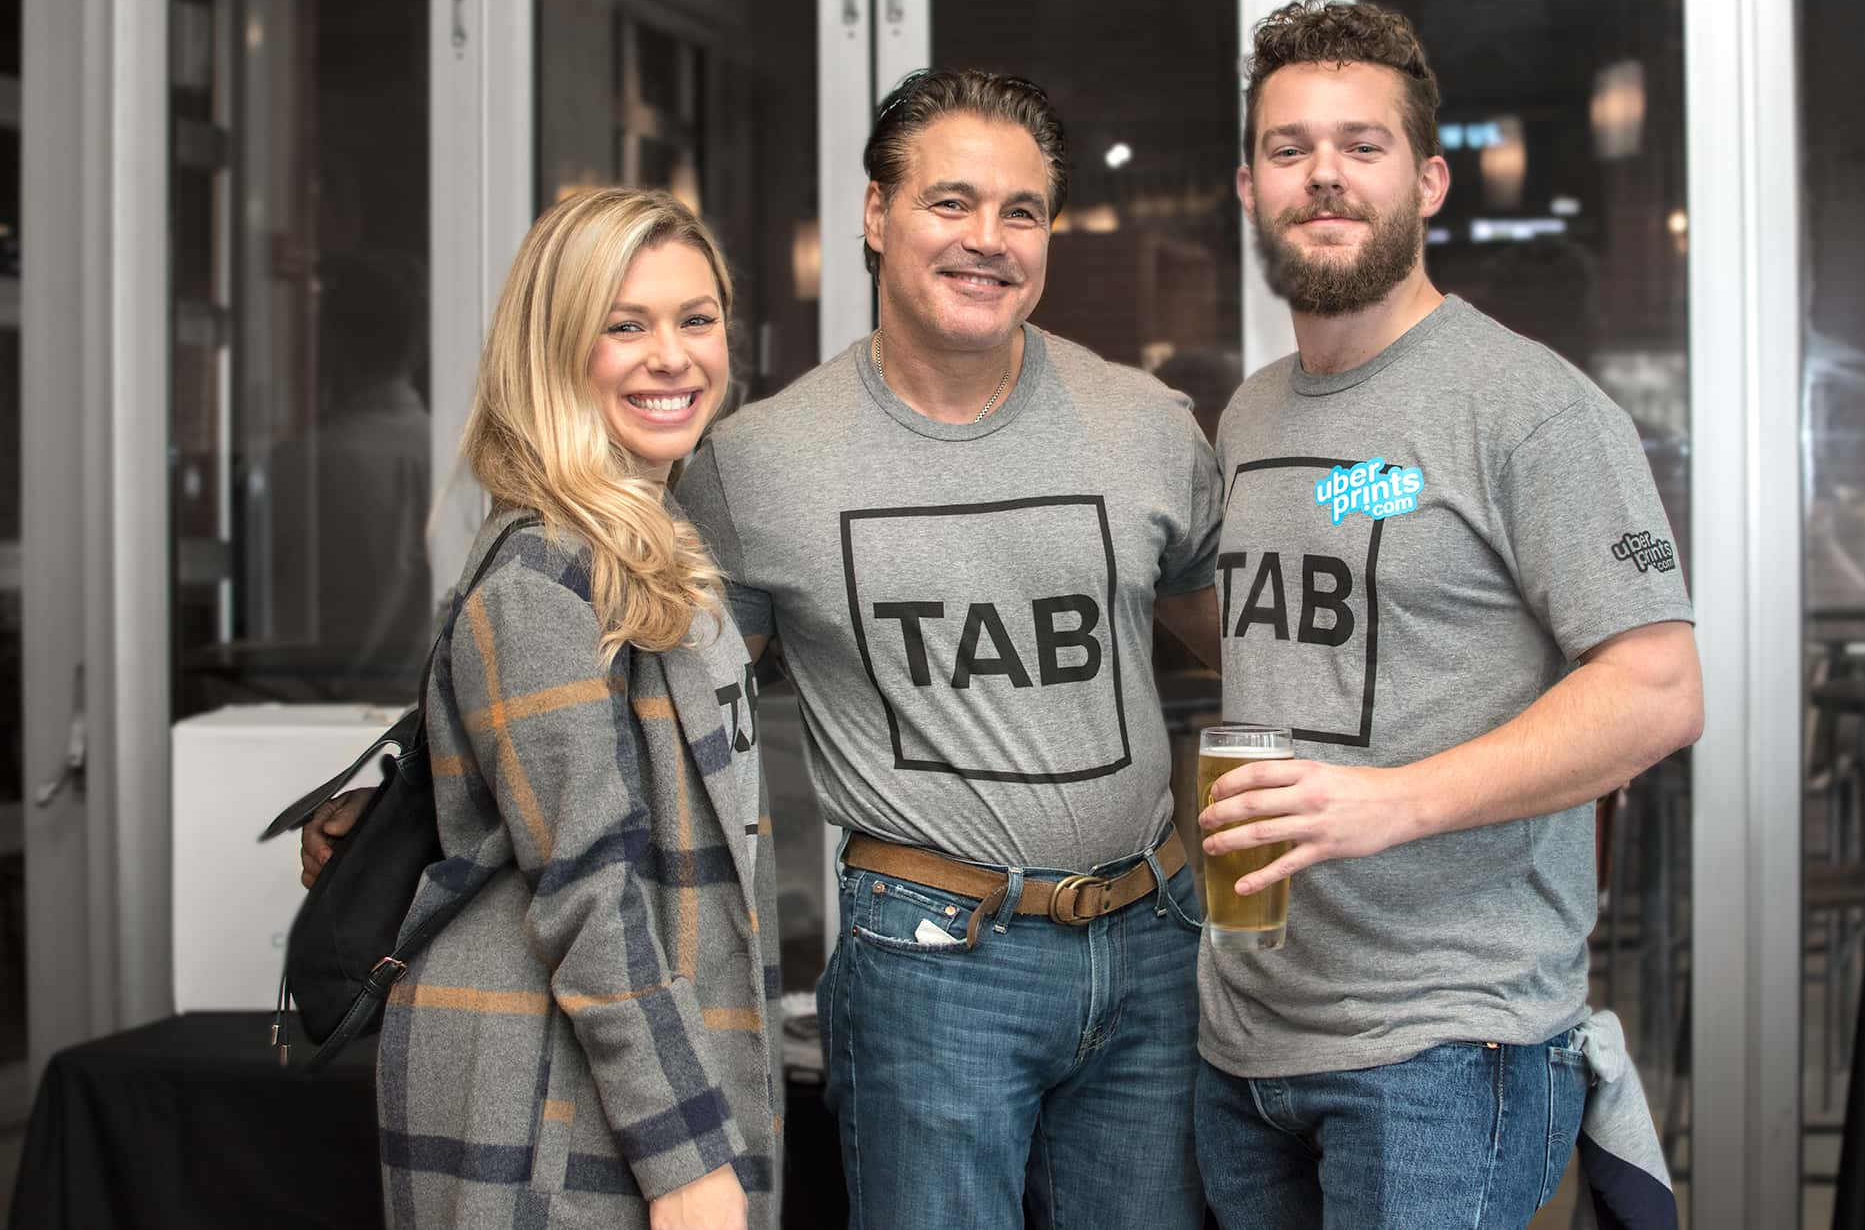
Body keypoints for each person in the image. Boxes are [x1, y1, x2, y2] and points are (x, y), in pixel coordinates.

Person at [674, 69, 1221, 1228]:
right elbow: (652, 703)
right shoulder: (754, 465)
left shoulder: (1144, 424)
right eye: (950, 203)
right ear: (875, 217)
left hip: (1153, 946)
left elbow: (1253, 643)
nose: (988, 240)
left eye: (1021, 212)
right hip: (929, 969)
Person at [1194, 0, 1703, 1229]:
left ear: (1425, 180)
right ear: (1248, 186)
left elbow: (1655, 687)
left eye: (1361, 146)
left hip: (1442, 1045)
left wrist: (1390, 799)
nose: (1323, 175)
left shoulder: (1529, 406)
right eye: (1288, 147)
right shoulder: (1250, 416)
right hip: (1242, 1035)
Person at [350, 187, 781, 1229]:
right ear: (553, 350)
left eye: (695, 318)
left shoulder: (653, 538)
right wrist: (683, 1161)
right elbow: (590, 887)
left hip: (621, 1068)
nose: (671, 355)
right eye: (621, 325)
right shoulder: (540, 578)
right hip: (549, 1089)